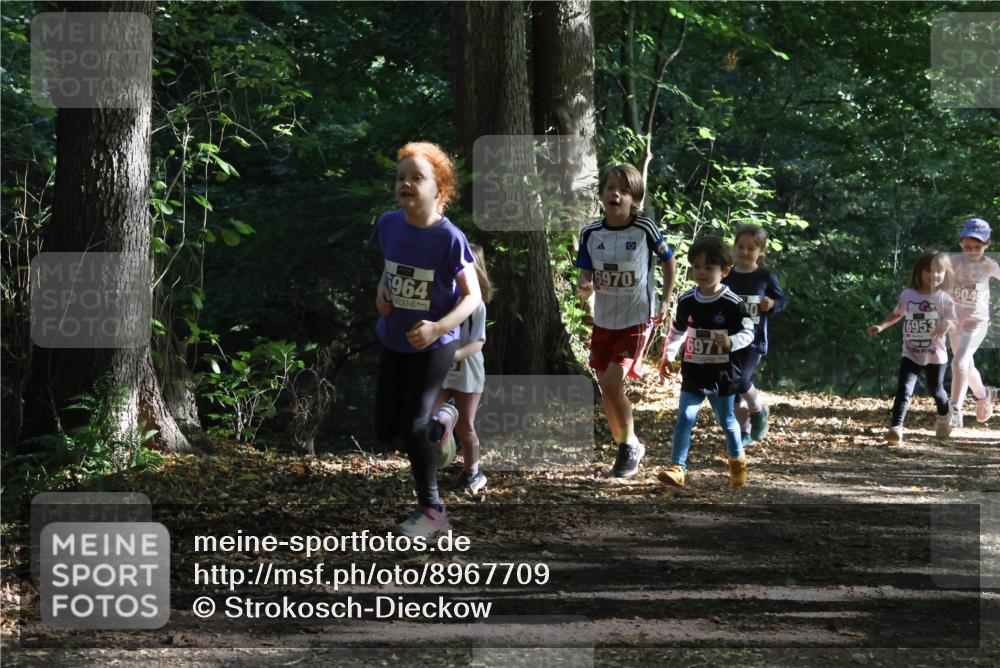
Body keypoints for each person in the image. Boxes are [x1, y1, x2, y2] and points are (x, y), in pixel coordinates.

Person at [372, 141, 481, 538]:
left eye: (417, 178)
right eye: (401, 177)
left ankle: (433, 511)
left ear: (440, 189)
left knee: (413, 423)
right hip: (394, 337)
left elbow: (473, 296)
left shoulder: (449, 238)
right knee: (386, 428)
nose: (406, 183)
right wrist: (381, 294)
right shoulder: (388, 224)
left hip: (434, 344)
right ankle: (443, 427)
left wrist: (437, 327)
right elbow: (388, 270)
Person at [575, 163, 676, 478]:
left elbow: (669, 261)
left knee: (611, 383)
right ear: (601, 195)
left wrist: (665, 299)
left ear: (635, 198)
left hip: (637, 318)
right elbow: (585, 274)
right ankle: (626, 445)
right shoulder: (591, 233)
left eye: (623, 190)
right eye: (610, 188)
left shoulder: (645, 228)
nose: (615, 195)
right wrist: (584, 287)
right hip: (604, 319)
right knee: (607, 389)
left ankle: (629, 445)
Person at [657, 236, 755, 488]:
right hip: (693, 373)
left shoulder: (733, 303)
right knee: (684, 418)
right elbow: (677, 331)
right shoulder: (687, 300)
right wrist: (668, 356)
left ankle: (737, 462)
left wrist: (731, 341)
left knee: (727, 422)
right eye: (696, 266)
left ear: (724, 271)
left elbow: (749, 332)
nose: (700, 272)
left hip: (722, 375)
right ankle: (677, 468)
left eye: (708, 268)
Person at [867, 251, 957, 445]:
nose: (934, 275)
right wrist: (881, 326)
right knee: (904, 390)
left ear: (945, 274)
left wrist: (946, 324)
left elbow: (953, 321)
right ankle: (896, 428)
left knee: (937, 391)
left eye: (939, 271)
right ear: (919, 272)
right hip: (911, 353)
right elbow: (897, 314)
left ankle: (944, 416)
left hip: (935, 355)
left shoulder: (944, 298)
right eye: (929, 271)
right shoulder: (908, 295)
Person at [429, 243, 494, 494]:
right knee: (431, 417)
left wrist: (455, 355)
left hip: (467, 370)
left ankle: (473, 472)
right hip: (442, 368)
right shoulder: (442, 299)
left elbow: (478, 341)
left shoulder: (476, 305)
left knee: (466, 425)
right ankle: (438, 456)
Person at [722, 224, 788, 446]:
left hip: (754, 340)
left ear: (761, 252)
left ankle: (758, 412)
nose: (745, 252)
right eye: (741, 247)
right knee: (732, 389)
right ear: (734, 248)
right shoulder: (727, 275)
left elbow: (783, 300)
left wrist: (772, 304)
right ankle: (745, 431)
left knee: (740, 380)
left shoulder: (765, 276)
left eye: (751, 248)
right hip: (729, 339)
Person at [947, 218, 1000, 428]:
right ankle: (984, 394)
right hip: (954, 323)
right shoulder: (952, 262)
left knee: (958, 363)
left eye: (977, 247)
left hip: (976, 322)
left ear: (987, 245)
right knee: (966, 366)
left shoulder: (990, 265)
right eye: (968, 247)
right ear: (961, 243)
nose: (972, 251)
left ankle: (954, 410)